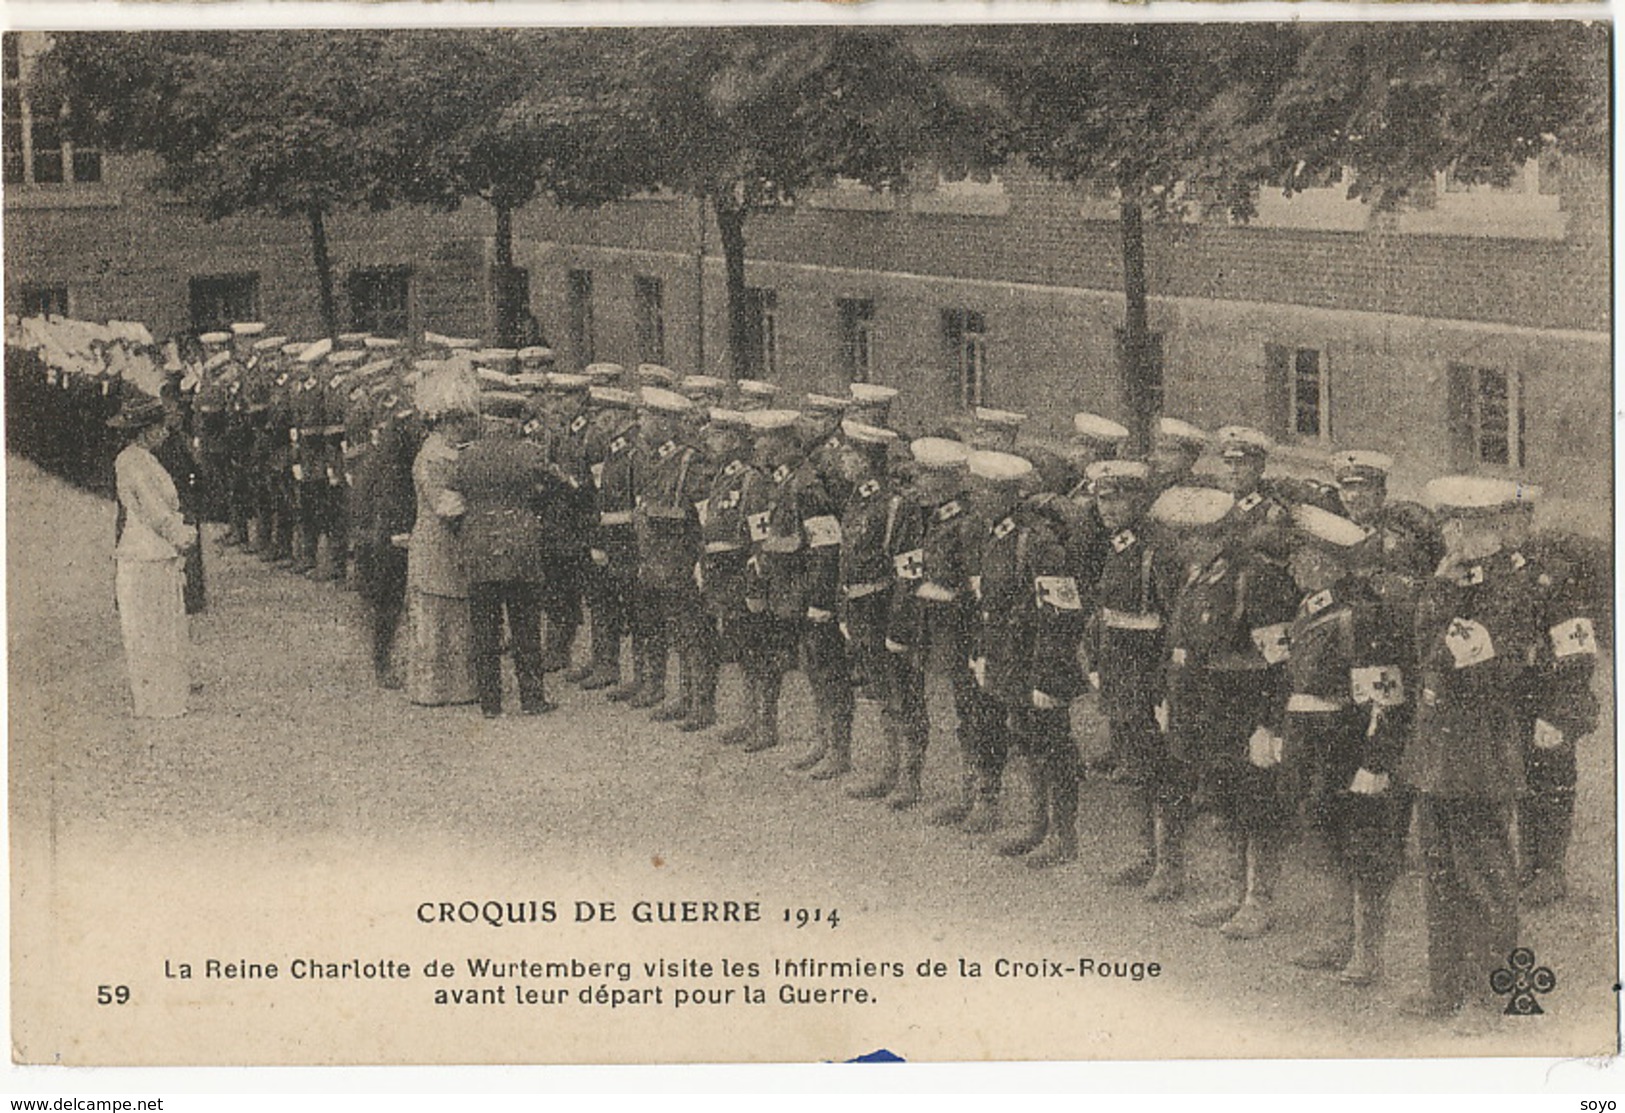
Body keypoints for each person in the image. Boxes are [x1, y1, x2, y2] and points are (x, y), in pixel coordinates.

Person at [1401, 476, 1599, 1030]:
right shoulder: (1470, 581)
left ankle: (1491, 997)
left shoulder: (1510, 591)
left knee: (1484, 876)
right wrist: (1443, 588)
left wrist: (1439, 594)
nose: (1453, 536)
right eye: (1453, 525)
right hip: (1441, 745)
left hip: (1479, 747)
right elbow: (1427, 651)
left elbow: (1452, 656)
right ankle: (1446, 991)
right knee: (1440, 871)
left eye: (1464, 526)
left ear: (1490, 529)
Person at [1282, 503, 1413, 986]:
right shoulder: (1312, 606)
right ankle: (1338, 936)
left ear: (1329, 563)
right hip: (1314, 744)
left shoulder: (1361, 615)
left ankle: (1367, 952)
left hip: (1348, 747)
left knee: (1365, 849)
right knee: (1325, 837)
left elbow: (1385, 697)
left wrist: (1376, 762)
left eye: (1304, 555)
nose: (1296, 563)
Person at [965, 449, 1088, 867]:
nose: (976, 496)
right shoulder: (992, 534)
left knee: (1054, 748)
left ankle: (1063, 835)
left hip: (1039, 663)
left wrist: (1048, 679)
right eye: (976, 487)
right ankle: (1037, 824)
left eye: (984, 490)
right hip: (1007, 659)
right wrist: (983, 654)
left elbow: (1061, 616)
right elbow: (987, 603)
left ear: (1005, 495)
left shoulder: (1037, 541)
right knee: (1026, 742)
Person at [1088, 459, 1186, 893]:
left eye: (1117, 498)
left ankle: (1170, 864)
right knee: (1133, 766)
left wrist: (1167, 687)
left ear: (1139, 499)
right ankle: (1143, 853)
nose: (1107, 507)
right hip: (1119, 673)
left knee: (1163, 770)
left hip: (1149, 676)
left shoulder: (1159, 550)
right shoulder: (1116, 544)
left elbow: (1174, 624)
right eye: (1101, 498)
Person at [443, 394, 567, 719]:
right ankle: (531, 698)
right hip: (522, 546)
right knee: (525, 626)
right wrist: (533, 518)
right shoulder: (530, 454)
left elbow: (448, 506)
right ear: (514, 422)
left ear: (489, 421)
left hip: (478, 546)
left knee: (484, 628)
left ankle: (490, 703)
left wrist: (468, 530)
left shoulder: (466, 456)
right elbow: (557, 490)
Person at [109, 394, 198, 719]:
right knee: (150, 629)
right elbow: (152, 509)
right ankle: (156, 701)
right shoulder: (132, 461)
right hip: (144, 553)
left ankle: (165, 697)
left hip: (156, 553)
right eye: (160, 427)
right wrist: (181, 535)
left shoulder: (144, 458)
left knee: (162, 628)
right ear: (145, 430)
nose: (165, 433)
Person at [405, 364, 480, 708]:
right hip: (439, 539)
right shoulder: (434, 457)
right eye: (461, 422)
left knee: (451, 612)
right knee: (438, 614)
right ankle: (438, 687)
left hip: (445, 541)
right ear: (447, 423)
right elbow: (447, 506)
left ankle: (453, 685)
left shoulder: (444, 452)